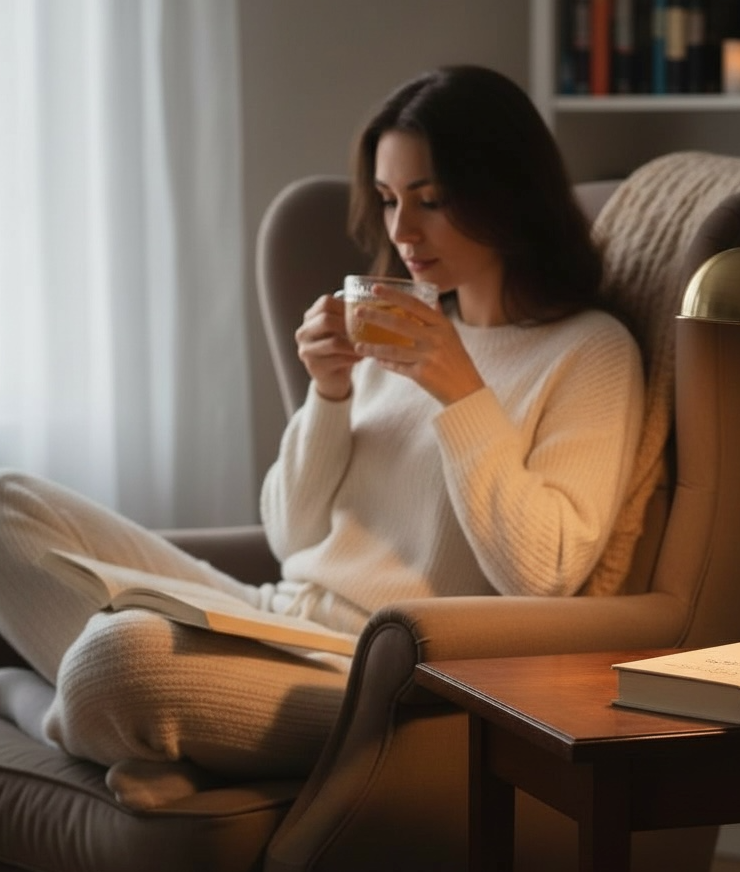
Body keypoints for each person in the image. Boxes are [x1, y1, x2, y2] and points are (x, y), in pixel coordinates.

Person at [0, 65, 643, 806]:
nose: (402, 231)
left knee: (121, 661)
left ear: (505, 194)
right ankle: (166, 744)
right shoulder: (400, 328)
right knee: (10, 504)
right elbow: (291, 535)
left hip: (374, 678)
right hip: (275, 614)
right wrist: (329, 394)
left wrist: (459, 390)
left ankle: (38, 706)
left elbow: (547, 572)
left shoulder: (589, 353)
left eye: (431, 201)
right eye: (389, 199)